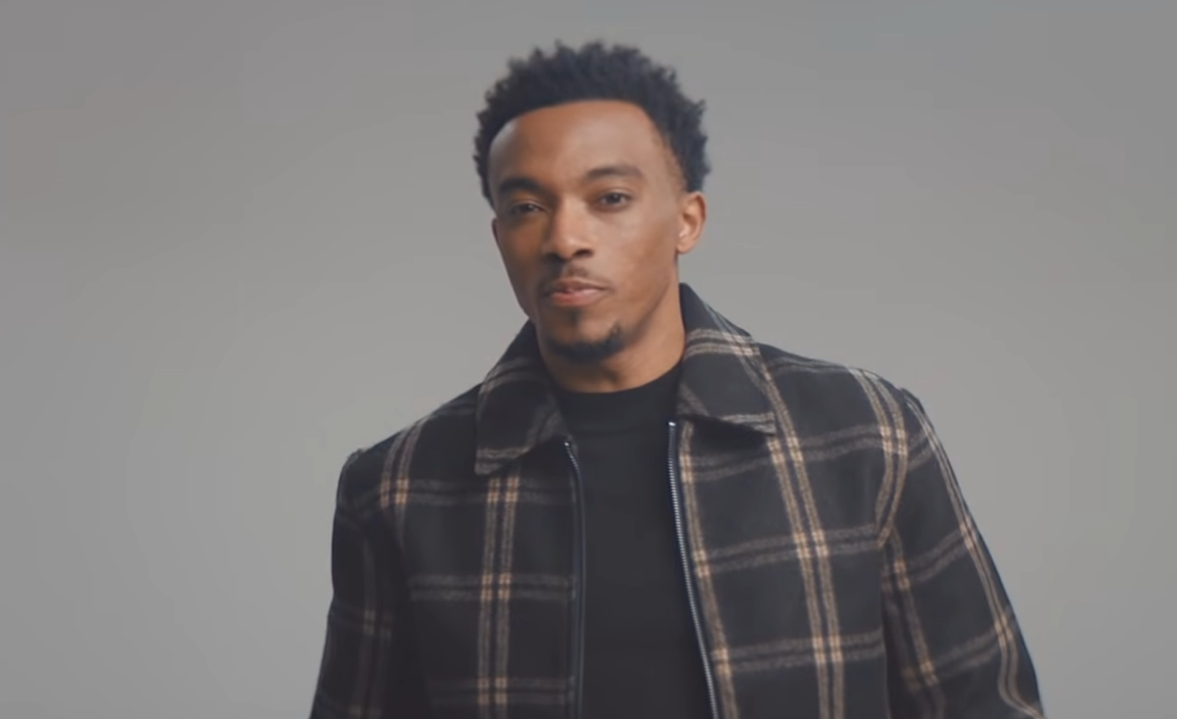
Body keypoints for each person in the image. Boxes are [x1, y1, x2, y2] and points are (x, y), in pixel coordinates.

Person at [309, 41, 1046, 719]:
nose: (565, 238)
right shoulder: (399, 486)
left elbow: (986, 706)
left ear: (687, 221)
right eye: (527, 207)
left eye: (610, 198)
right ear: (501, 236)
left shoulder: (865, 435)